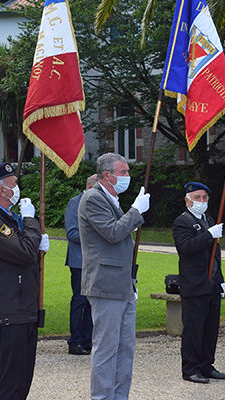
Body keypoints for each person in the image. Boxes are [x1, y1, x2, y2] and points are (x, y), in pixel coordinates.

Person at [0, 163, 50, 400]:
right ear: (2, 191)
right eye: (14, 184)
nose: (18, 188)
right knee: (12, 382)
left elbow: (23, 253)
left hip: (22, 308)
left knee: (23, 378)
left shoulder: (5, 218)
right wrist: (32, 222)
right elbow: (24, 251)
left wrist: (35, 243)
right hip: (7, 311)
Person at [79, 153, 150, 400]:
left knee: (125, 349)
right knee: (107, 349)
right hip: (105, 284)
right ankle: (102, 397)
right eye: (124, 172)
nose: (127, 177)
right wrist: (135, 211)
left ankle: (119, 397)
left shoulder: (112, 198)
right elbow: (112, 232)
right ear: (107, 175)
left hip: (122, 284)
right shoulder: (93, 198)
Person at [173, 182, 225, 384]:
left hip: (211, 284)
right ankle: (190, 369)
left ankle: (206, 365)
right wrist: (208, 235)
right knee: (194, 329)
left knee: (210, 329)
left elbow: (216, 256)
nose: (201, 202)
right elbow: (186, 248)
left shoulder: (209, 220)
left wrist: (220, 280)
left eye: (205, 198)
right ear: (187, 199)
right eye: (197, 198)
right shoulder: (182, 222)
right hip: (195, 284)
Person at [64, 174, 97, 356]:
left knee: (93, 302)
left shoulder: (101, 203)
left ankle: (88, 339)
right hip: (80, 261)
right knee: (79, 301)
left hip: (97, 261)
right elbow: (72, 233)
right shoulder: (74, 203)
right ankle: (75, 341)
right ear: (91, 186)